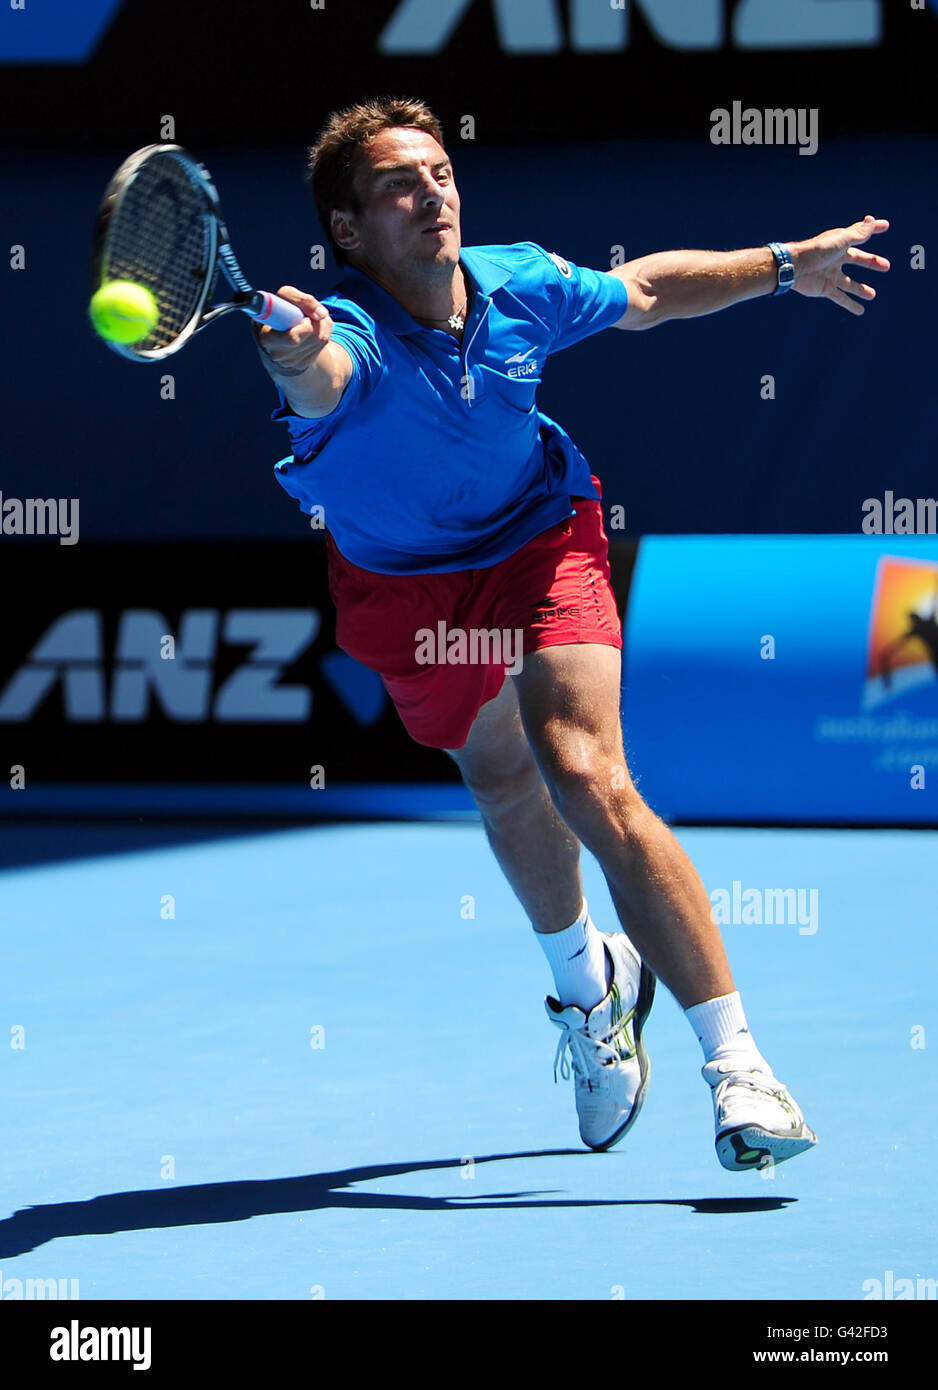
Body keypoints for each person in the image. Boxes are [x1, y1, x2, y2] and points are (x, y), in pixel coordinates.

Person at [255, 96, 890, 1171]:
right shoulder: (343, 332)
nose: (433, 195)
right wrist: (294, 356)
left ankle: (737, 1067)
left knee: (585, 772)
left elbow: (642, 291)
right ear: (350, 231)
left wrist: (785, 263)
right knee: (501, 778)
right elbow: (321, 383)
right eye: (400, 185)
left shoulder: (518, 284)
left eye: (440, 172)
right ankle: (587, 986)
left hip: (540, 535)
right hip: (403, 591)